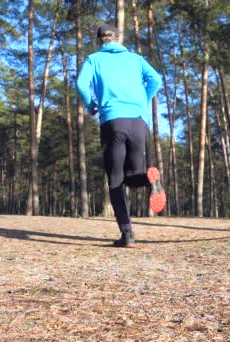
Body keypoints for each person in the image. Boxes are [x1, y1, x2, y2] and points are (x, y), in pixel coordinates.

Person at [76, 24, 166, 248]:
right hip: (138, 121)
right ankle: (149, 178)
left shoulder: (94, 59)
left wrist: (91, 105)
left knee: (116, 179)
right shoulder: (135, 59)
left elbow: (80, 84)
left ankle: (127, 235)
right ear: (118, 38)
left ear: (99, 41)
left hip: (113, 120)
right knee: (132, 175)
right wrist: (142, 101)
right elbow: (156, 79)